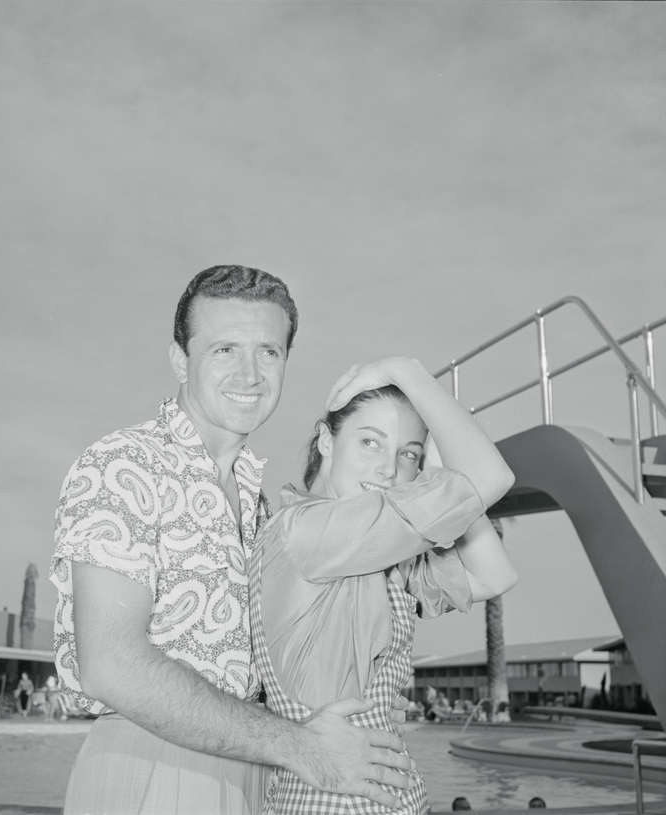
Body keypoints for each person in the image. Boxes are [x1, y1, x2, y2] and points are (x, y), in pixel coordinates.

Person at [50, 267, 415, 815]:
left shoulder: (259, 501)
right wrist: (300, 745)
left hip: (253, 773)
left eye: (268, 352)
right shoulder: (124, 464)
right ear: (180, 359)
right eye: (225, 349)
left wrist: (365, 703)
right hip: (155, 764)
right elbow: (112, 664)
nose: (249, 373)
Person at [251, 357, 518, 813]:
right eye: (370, 442)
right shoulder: (308, 531)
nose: (389, 470)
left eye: (407, 453)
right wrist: (406, 370)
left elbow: (495, 576)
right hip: (335, 800)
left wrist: (435, 471)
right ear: (326, 440)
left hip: (376, 795)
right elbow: (492, 478)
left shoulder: (375, 553)